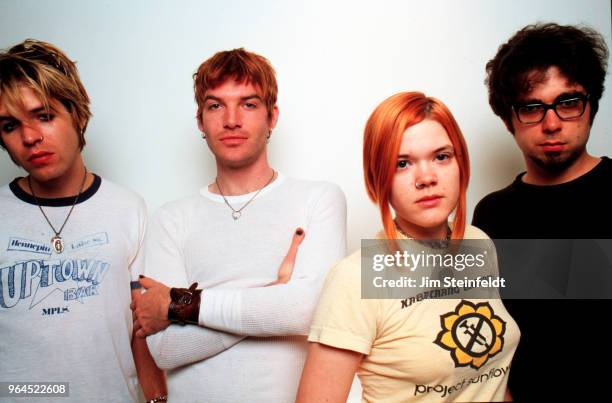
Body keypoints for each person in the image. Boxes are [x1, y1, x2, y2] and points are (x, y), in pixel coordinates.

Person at [130, 48, 347, 402]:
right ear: (200, 121)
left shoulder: (319, 199)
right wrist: (274, 293)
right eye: (216, 106)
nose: (231, 120)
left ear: (272, 116)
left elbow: (310, 312)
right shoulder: (171, 219)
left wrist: (182, 306)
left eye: (248, 104)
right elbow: (167, 349)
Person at [296, 92, 519, 402]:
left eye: (442, 156)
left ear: (461, 163)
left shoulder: (479, 243)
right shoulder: (353, 278)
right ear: (378, 178)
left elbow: (490, 380)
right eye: (402, 163)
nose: (426, 177)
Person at [0, 40, 165, 402]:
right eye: (11, 125)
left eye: (44, 116)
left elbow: (141, 327)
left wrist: (156, 399)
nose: (29, 137)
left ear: (77, 114)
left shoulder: (128, 208)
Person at [472, 23, 611, 400]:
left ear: (591, 105)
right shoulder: (491, 215)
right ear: (508, 120)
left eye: (567, 102)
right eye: (532, 108)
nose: (552, 124)